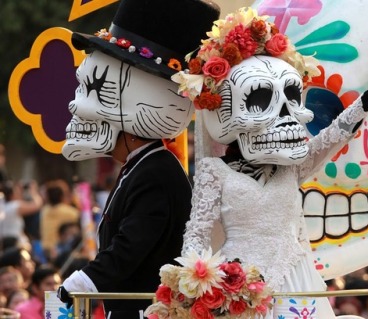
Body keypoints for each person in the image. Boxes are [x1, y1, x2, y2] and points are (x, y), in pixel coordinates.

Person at [178, 7, 368, 319]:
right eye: (260, 101)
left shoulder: (292, 166)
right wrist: (191, 289)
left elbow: (333, 135)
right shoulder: (214, 171)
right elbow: (197, 234)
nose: (283, 117)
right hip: (240, 288)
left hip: (297, 279)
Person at [56, 0, 221, 318]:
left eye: (97, 90)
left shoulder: (155, 172)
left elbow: (132, 244)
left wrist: (85, 281)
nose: (77, 107)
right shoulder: (144, 166)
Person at [39, 179, 80, 261]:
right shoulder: (70, 212)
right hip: (61, 250)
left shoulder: (45, 210)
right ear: (62, 196)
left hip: (45, 249)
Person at [0, 180, 43, 248]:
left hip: (4, 242)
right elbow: (37, 205)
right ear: (12, 194)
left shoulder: (2, 205)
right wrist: (33, 191)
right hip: (15, 243)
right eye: (17, 191)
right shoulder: (15, 206)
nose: (20, 193)